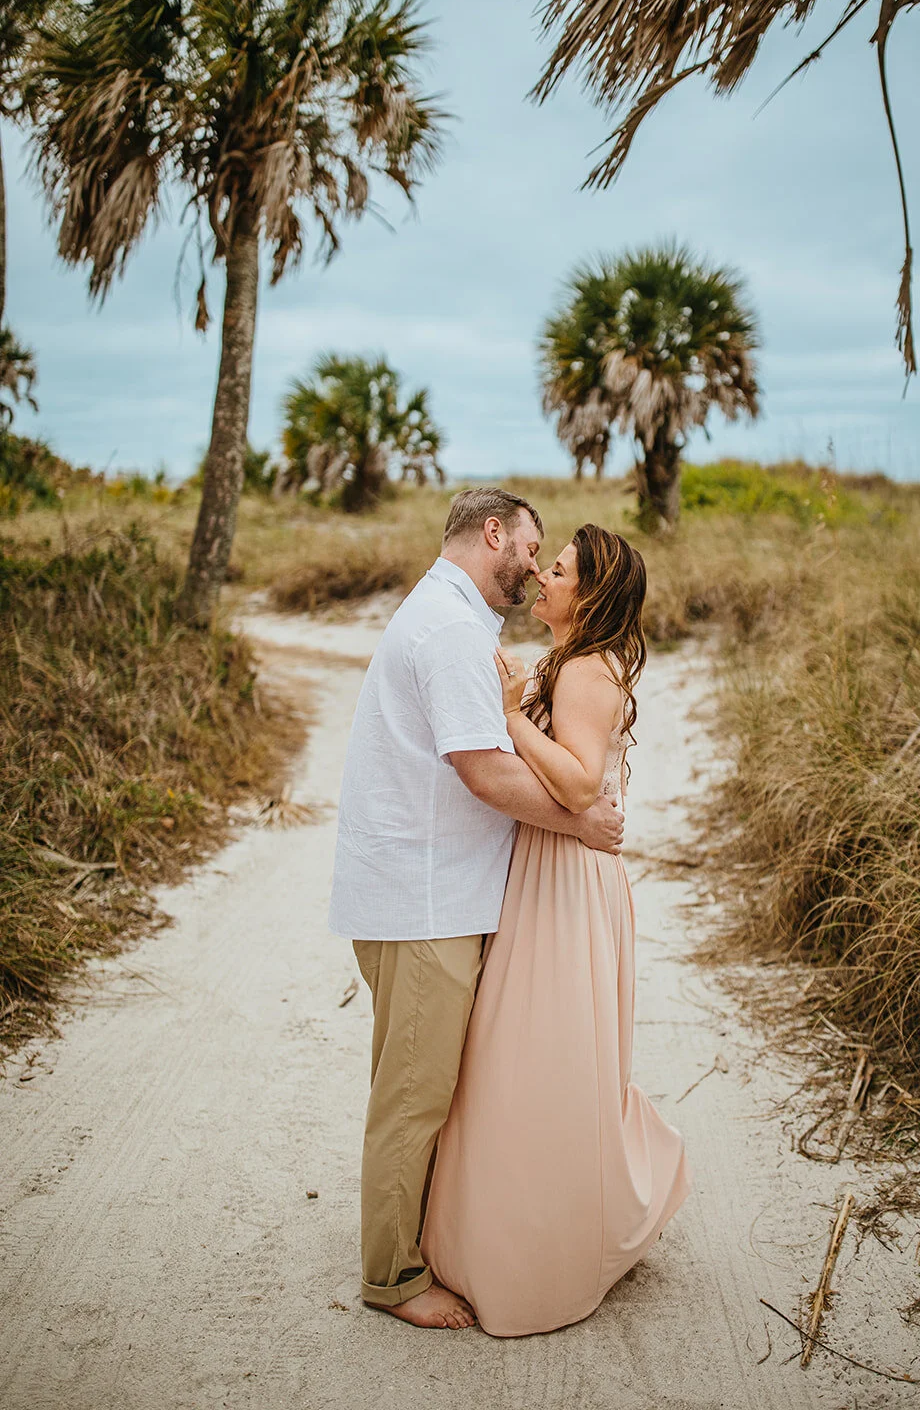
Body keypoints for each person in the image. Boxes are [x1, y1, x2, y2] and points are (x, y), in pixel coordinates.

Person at [328, 488, 625, 1331]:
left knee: (426, 1086)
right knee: (414, 1096)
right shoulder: (453, 629)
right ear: (491, 533)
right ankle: (391, 1276)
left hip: (425, 896)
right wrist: (582, 821)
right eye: (530, 548)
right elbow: (484, 771)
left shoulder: (447, 617)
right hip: (423, 905)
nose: (534, 566)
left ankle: (424, 1236)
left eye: (546, 559)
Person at [421, 523, 690, 1336]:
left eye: (559, 570)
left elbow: (576, 783)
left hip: (565, 876)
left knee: (534, 1047)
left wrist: (509, 721)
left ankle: (539, 1246)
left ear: (591, 594)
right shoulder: (568, 662)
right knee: (521, 1047)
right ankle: (505, 1231)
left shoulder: (588, 670)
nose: (540, 575)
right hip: (547, 869)